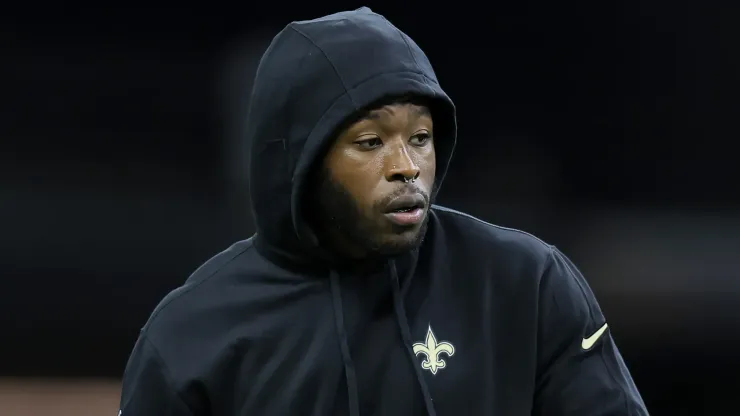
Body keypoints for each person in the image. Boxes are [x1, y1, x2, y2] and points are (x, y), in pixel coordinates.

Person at [119, 7, 648, 416]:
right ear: (300, 162)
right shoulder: (193, 335)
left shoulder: (524, 283)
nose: (406, 167)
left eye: (420, 137)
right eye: (370, 142)